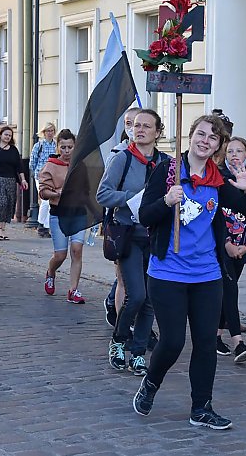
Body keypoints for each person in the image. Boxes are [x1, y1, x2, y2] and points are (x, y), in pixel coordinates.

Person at [133, 114, 246, 430]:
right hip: (168, 274)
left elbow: (245, 208)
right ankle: (151, 381)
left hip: (207, 275)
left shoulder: (218, 179)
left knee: (205, 343)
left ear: (218, 145)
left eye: (212, 138)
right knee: (173, 342)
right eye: (200, 134)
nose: (205, 141)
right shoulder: (168, 171)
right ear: (191, 136)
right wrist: (165, 200)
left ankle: (201, 408)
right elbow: (146, 215)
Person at [98, 108, 167, 377]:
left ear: (158, 132)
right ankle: (118, 340)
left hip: (155, 236)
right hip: (128, 234)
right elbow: (103, 194)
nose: (139, 130)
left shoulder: (165, 163)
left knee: (150, 299)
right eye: (136, 126)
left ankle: (138, 353)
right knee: (135, 294)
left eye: (146, 126)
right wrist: (131, 197)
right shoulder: (122, 159)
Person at [216, 136, 246, 363]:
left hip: (241, 247)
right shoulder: (219, 179)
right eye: (230, 151)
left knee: (228, 290)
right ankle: (238, 343)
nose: (234, 155)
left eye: (239, 151)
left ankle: (215, 336)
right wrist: (226, 243)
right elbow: (215, 215)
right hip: (221, 246)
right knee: (230, 289)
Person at [38, 129, 87, 304]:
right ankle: (51, 272)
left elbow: (88, 188)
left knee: (77, 250)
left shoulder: (80, 165)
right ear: (58, 147)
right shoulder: (51, 165)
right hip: (59, 213)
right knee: (60, 255)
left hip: (78, 213)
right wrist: (57, 193)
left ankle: (73, 290)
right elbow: (42, 192)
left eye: (70, 147)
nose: (67, 151)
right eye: (63, 147)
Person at [103, 107, 141, 327]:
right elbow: (105, 191)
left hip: (147, 227)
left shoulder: (158, 158)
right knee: (123, 279)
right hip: (123, 225)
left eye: (139, 123)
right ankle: (122, 327)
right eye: (129, 123)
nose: (135, 128)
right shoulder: (119, 155)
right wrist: (132, 197)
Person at [0, 126, 27, 240]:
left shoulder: (13, 150)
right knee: (1, 203)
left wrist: (23, 179)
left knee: (9, 204)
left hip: (11, 180)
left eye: (10, 135)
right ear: (0, 135)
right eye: (6, 135)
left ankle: (3, 229)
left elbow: (19, 166)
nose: (8, 137)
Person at [30, 122, 57, 238]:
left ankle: (46, 226)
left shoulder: (56, 145)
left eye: (52, 131)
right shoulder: (39, 145)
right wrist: (37, 173)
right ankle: (42, 224)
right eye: (48, 131)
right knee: (45, 200)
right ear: (44, 132)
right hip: (41, 176)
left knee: (51, 201)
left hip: (53, 176)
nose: (50, 133)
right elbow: (32, 162)